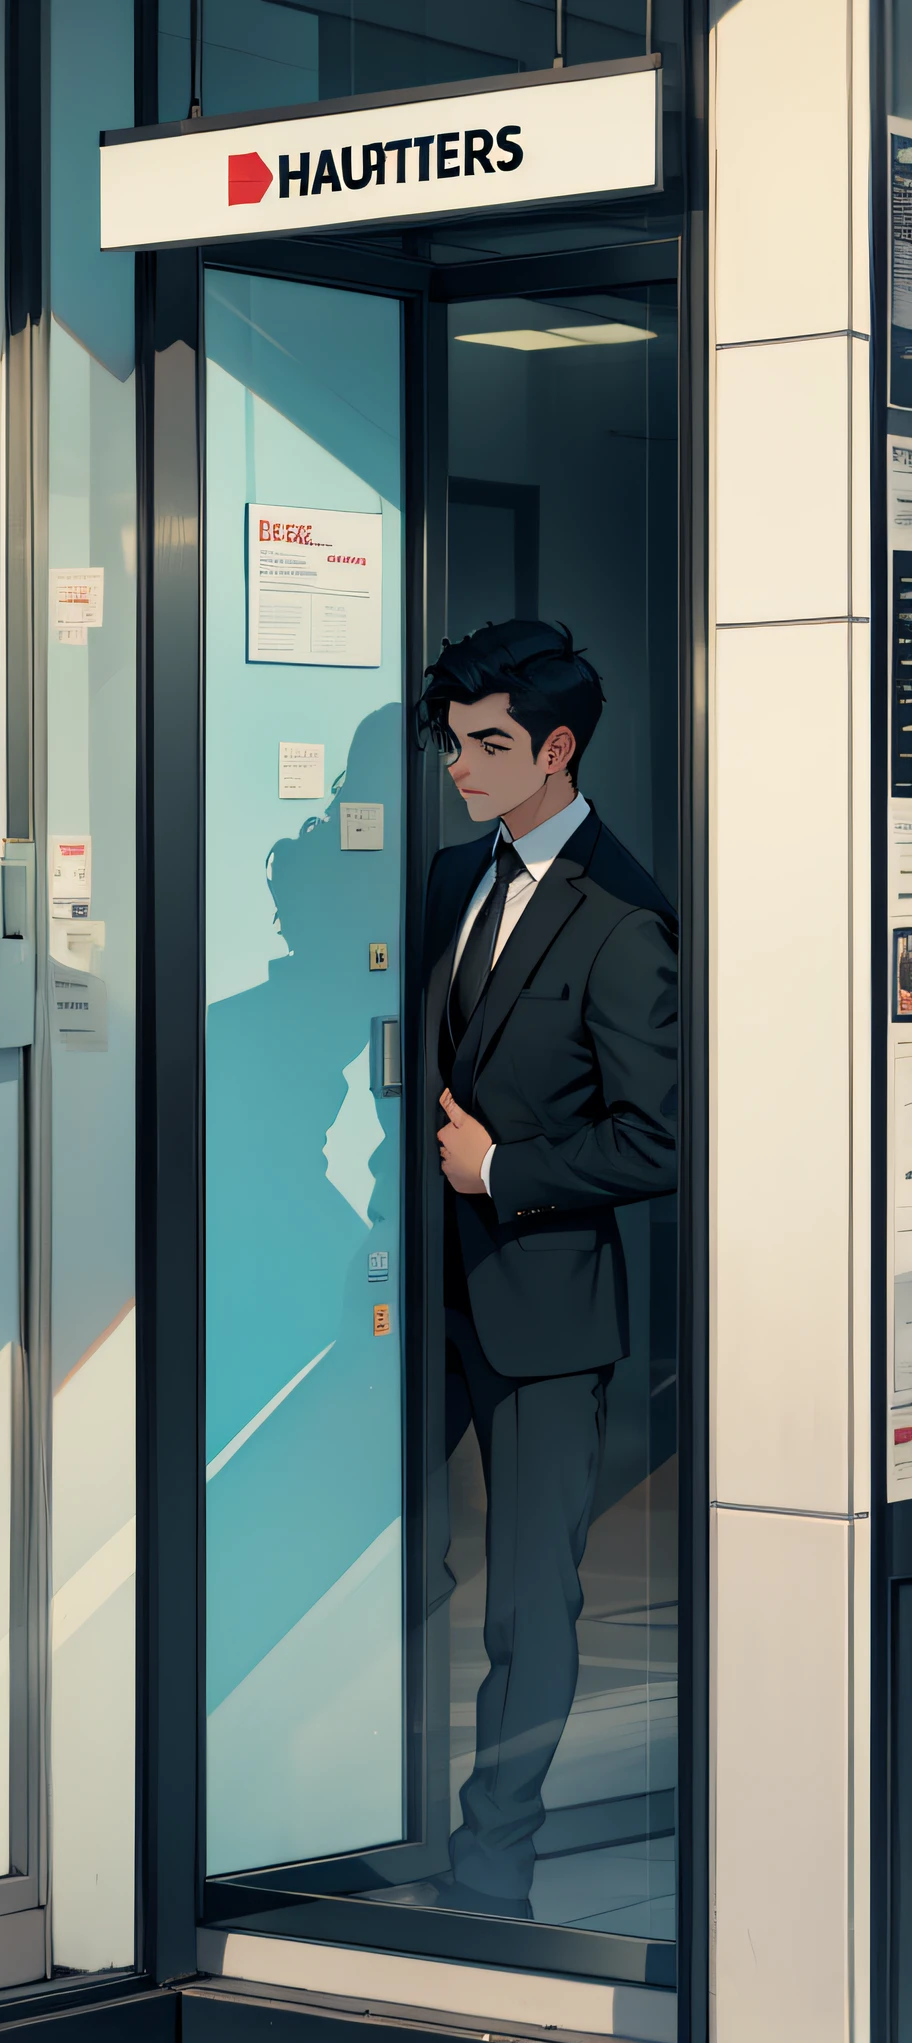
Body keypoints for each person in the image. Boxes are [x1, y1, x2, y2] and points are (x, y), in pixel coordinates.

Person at [418, 619, 677, 1917]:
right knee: (390, 1558)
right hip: (418, 1302)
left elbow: (660, 1139)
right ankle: (375, 1810)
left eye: (488, 745)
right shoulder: (449, 880)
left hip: (545, 1309)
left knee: (529, 1610)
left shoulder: (625, 915)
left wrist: (505, 1171)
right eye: (454, 743)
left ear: (557, 750)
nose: (459, 767)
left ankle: (491, 1869)